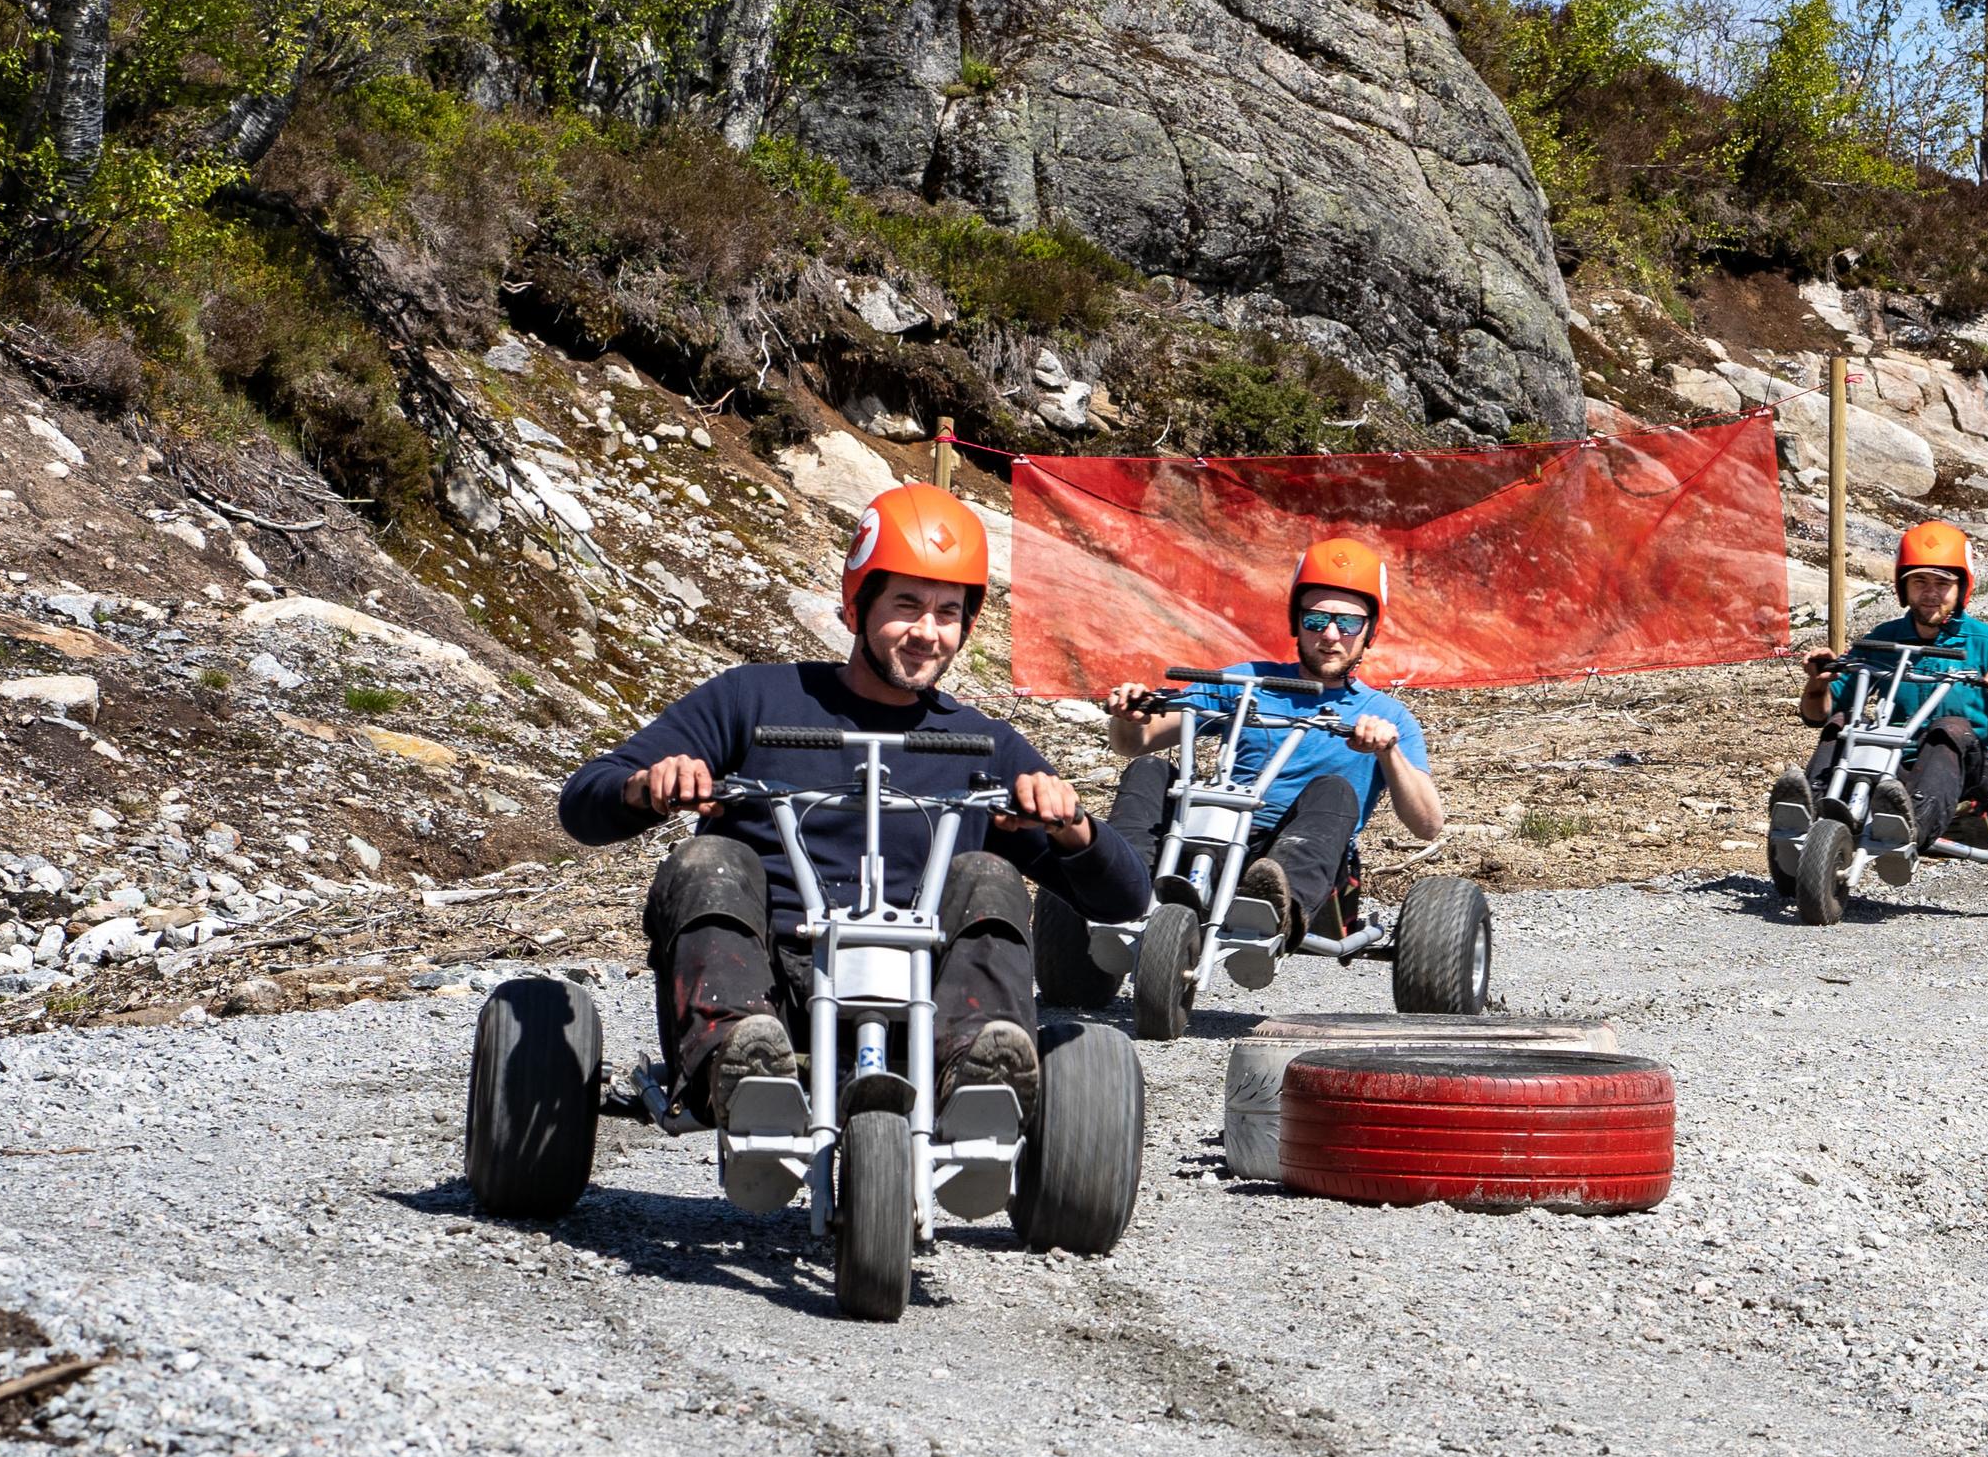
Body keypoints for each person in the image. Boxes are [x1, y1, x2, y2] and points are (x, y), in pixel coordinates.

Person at [557, 483, 1149, 1127]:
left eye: (948, 613)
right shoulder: (752, 700)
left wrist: (1072, 828)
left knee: (988, 874)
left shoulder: (986, 746)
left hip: (931, 1006)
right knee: (709, 858)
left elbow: (1124, 899)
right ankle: (736, 1058)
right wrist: (648, 786)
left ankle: (983, 1074)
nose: (927, 632)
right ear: (856, 605)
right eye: (906, 605)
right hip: (768, 994)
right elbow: (583, 803)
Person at [1100, 536, 1442, 951]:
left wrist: (1388, 752)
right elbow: (1136, 744)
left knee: (1334, 789)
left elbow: (1427, 826)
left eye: (1349, 623)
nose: (1331, 635)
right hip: (1213, 835)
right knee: (1149, 770)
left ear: (1369, 631)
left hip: (1303, 856)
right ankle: (1120, 886)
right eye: (1316, 620)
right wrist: (1129, 717)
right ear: (1296, 622)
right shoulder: (1247, 681)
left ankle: (1273, 904)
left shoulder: (1387, 716)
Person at [1782, 521, 1988, 859]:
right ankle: (1810, 816)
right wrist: (1818, 682)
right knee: (1844, 723)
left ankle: (1910, 828)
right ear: (1904, 588)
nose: (1931, 592)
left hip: (1969, 778)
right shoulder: (1882, 640)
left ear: (1962, 588)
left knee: (1949, 727)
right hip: (1892, 774)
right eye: (1920, 582)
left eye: (1942, 583)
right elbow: (1818, 716)